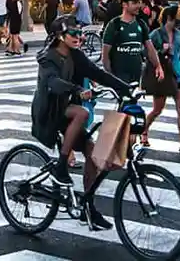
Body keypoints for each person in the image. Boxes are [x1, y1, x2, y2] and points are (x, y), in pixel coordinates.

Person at [30, 19, 130, 231]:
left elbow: (98, 74)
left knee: (93, 154)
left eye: (80, 32)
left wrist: (126, 88)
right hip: (49, 112)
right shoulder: (48, 58)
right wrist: (77, 90)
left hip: (67, 112)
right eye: (73, 33)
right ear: (60, 36)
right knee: (83, 112)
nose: (79, 37)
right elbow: (53, 83)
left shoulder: (76, 55)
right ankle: (61, 165)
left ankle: (88, 207)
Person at [141, 5, 180, 154]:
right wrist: (160, 51)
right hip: (163, 75)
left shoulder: (178, 34)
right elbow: (145, 52)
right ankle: (144, 130)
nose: (178, 25)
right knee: (158, 109)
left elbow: (179, 52)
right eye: (177, 21)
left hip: (178, 74)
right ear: (169, 19)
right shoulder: (155, 34)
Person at [102, 0, 164, 88]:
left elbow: (150, 48)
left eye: (139, 2)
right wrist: (110, 76)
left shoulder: (141, 24)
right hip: (120, 75)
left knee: (133, 101)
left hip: (136, 73)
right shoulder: (114, 24)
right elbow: (105, 55)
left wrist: (158, 66)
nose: (138, 6)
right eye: (134, 3)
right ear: (124, 5)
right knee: (126, 101)